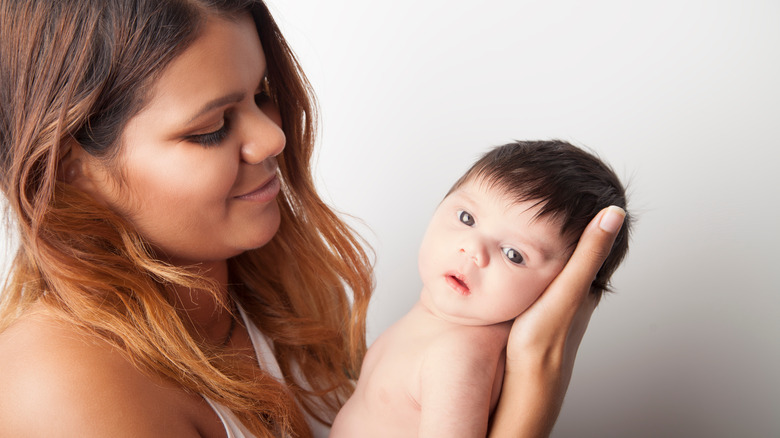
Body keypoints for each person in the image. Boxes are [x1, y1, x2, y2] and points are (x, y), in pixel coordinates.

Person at [0, 1, 627, 437]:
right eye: (211, 129)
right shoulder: (55, 385)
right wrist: (531, 400)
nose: (273, 137)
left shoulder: (262, 293)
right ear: (72, 164)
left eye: (263, 95)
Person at [331, 140, 631, 437]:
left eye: (514, 254)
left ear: (563, 292)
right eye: (467, 218)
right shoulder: (438, 316)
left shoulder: (458, 356)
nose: (473, 249)